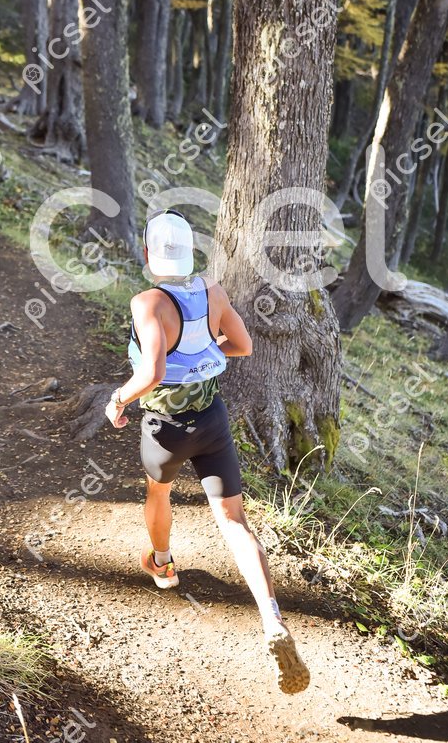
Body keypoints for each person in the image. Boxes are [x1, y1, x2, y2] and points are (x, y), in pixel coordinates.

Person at [104, 208, 309, 694]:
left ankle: (162, 563)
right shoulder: (212, 291)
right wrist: (206, 349)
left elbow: (153, 371)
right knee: (235, 522)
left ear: (149, 253)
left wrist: (117, 401)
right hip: (212, 421)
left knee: (159, 493)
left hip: (165, 429)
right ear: (189, 252)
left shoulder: (148, 302)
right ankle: (271, 619)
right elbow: (243, 345)